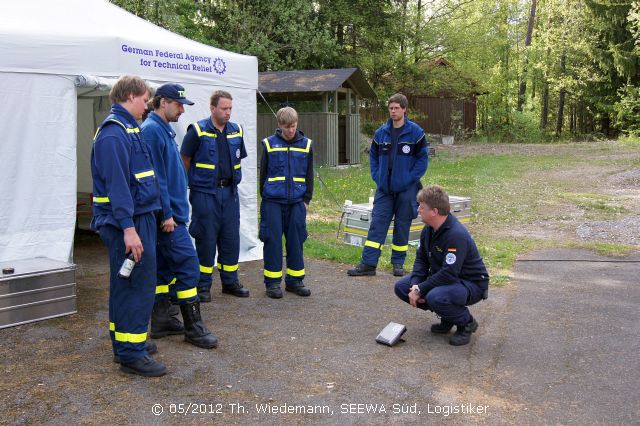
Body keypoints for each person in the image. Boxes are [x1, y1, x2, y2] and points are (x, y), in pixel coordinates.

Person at [90, 75, 165, 376]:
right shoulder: (113, 134)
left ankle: (127, 343)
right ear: (131, 96)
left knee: (128, 283)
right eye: (145, 100)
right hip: (128, 223)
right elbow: (118, 186)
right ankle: (131, 354)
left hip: (139, 218)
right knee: (137, 285)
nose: (147, 106)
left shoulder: (130, 129)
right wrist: (129, 229)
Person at [141, 83, 218, 349]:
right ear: (162, 102)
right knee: (188, 267)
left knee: (163, 270)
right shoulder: (152, 131)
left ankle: (161, 319)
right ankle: (194, 328)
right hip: (169, 219)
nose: (182, 110)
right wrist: (167, 215)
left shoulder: (162, 130)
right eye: (178, 104)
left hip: (171, 216)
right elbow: (157, 179)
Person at [394, 185, 489, 346]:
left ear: (434, 211)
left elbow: (449, 273)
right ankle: (448, 316)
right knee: (402, 287)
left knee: (435, 296)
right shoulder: (429, 230)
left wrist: (421, 289)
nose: (418, 210)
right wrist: (415, 284)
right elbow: (421, 260)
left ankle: (466, 323)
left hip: (471, 284)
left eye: (422, 207)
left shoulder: (455, 235)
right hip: (448, 279)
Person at [347, 93, 428, 277]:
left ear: (404, 109)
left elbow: (422, 160)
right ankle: (368, 264)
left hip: (407, 189)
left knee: (402, 225)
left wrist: (410, 179)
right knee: (377, 224)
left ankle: (398, 264)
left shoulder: (415, 132)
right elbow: (373, 157)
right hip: (384, 189)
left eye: (396, 108)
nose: (393, 111)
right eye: (390, 108)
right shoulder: (381, 132)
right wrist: (377, 176)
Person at [180, 90, 249, 302]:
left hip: (230, 193)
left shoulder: (236, 130)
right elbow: (185, 159)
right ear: (212, 108)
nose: (228, 113)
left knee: (230, 239)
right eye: (224, 108)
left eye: (230, 108)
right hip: (205, 194)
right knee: (206, 239)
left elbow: (239, 157)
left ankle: (230, 282)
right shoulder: (198, 131)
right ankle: (203, 285)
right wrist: (195, 184)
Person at [259, 107, 314, 298]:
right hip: (272, 202)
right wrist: (266, 198)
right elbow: (263, 175)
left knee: (296, 241)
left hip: (297, 203)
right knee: (272, 241)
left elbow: (309, 175)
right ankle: (272, 283)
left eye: (293, 126)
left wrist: (306, 200)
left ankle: (295, 281)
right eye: (286, 127)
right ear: (279, 125)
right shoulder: (268, 144)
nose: (290, 130)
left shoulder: (306, 145)